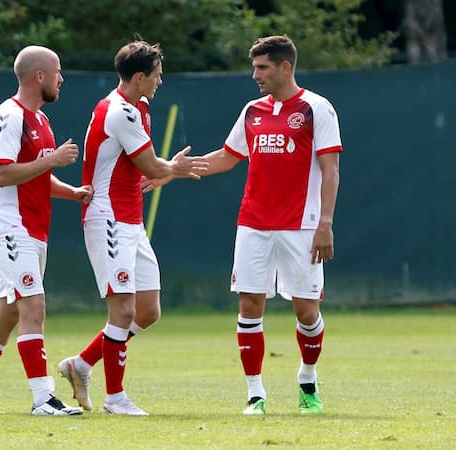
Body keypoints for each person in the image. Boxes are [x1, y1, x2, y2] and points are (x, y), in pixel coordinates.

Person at [145, 35, 341, 415]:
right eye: (254, 68)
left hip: (302, 225)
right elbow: (227, 156)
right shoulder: (252, 111)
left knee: (306, 311)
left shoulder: (317, 109)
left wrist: (326, 223)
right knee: (250, 305)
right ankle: (256, 394)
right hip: (253, 224)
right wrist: (171, 171)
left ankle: (307, 381)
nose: (256, 75)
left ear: (285, 67)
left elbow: (331, 171)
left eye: (262, 67)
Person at [57, 40, 208, 416]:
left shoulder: (139, 107)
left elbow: (143, 167)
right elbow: (154, 167)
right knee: (122, 310)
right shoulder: (120, 111)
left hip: (129, 218)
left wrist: (158, 172)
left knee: (147, 311)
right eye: (156, 76)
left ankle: (81, 364)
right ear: (139, 77)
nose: (160, 82)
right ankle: (116, 399)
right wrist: (173, 169)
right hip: (107, 218)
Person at [0, 45, 90, 416]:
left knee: (9, 312)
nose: (62, 78)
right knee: (34, 304)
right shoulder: (9, 115)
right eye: (57, 71)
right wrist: (51, 160)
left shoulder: (41, 121)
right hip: (8, 226)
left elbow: (37, 176)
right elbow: (2, 172)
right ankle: (43, 398)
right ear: (39, 76)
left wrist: (72, 192)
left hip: (33, 228)